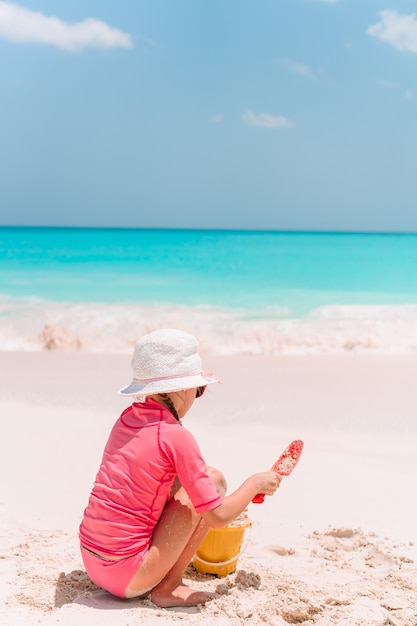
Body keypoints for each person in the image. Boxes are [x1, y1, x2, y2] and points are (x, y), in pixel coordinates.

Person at [79, 328, 282, 608]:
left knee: (205, 483)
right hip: (128, 574)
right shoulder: (176, 436)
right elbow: (217, 517)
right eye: (199, 390)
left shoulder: (126, 419)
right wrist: (254, 485)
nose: (197, 396)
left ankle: (160, 577)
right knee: (215, 482)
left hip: (92, 560)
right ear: (181, 389)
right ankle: (168, 587)